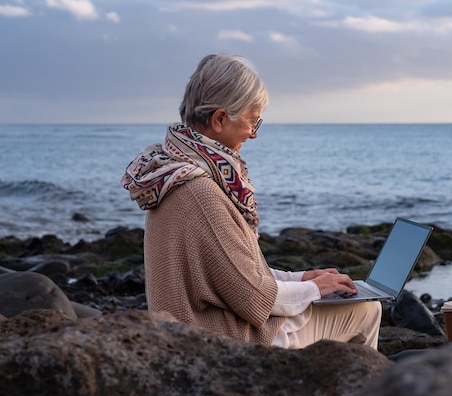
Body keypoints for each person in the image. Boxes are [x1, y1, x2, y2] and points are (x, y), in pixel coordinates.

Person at [121, 53, 381, 349]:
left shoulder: (171, 172)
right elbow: (254, 297)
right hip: (224, 342)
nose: (253, 135)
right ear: (219, 119)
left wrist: (302, 278)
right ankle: (365, 393)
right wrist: (315, 289)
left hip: (190, 332)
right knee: (367, 310)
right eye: (252, 122)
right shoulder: (200, 191)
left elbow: (232, 274)